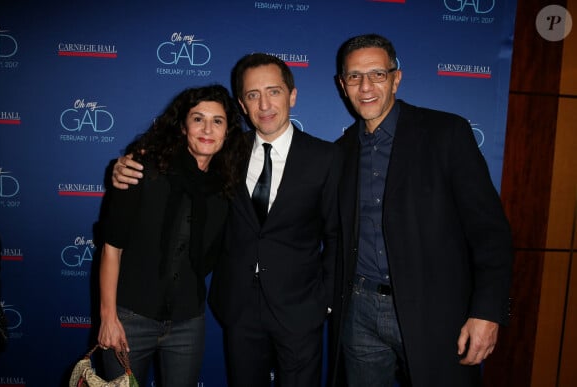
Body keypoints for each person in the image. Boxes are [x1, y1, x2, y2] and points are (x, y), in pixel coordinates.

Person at [111, 53, 341, 387]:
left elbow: (337, 235)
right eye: (252, 95)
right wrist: (127, 165)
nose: (264, 104)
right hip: (239, 307)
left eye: (273, 91)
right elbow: (176, 159)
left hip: (300, 310)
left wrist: (323, 304)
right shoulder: (225, 151)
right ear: (242, 105)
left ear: (292, 95)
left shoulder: (326, 157)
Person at [329, 34, 513, 387]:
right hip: (358, 313)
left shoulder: (446, 133)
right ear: (343, 84)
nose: (365, 86)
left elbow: (490, 232)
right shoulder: (340, 152)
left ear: (396, 78)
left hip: (437, 312)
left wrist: (487, 312)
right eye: (354, 76)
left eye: (377, 74)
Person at [97, 84, 244, 387]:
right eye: (198, 118)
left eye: (217, 121)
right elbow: (112, 248)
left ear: (227, 132)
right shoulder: (142, 169)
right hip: (129, 318)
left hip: (187, 323)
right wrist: (108, 318)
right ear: (182, 127)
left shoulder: (226, 187)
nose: (207, 128)